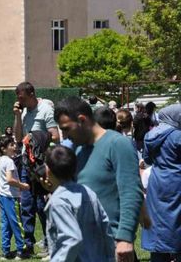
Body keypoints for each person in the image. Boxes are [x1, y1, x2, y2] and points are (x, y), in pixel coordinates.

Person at [54, 96, 142, 262]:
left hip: (111, 245)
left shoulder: (117, 144)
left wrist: (124, 237)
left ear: (82, 120)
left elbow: (131, 192)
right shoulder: (76, 150)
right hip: (83, 246)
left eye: (66, 129)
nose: (64, 136)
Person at [43, 146, 115, 262]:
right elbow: (106, 229)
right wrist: (111, 258)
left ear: (48, 170)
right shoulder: (88, 192)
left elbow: (72, 238)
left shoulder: (58, 202)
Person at [12, 82, 58, 257]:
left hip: (42, 164)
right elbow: (17, 138)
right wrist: (17, 116)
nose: (18, 99)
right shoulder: (23, 112)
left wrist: (35, 138)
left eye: (21, 96)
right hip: (26, 164)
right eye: (17, 96)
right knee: (26, 205)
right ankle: (28, 246)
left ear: (31, 94)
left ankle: (49, 244)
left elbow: (55, 136)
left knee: (42, 206)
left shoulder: (46, 110)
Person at [141, 104, 181, 262]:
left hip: (157, 182)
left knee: (158, 221)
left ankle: (158, 256)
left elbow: (148, 160)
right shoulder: (178, 136)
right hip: (177, 181)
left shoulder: (150, 135)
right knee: (176, 222)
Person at [0, 135, 30, 260]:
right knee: (17, 223)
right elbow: (10, 179)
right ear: (4, 149)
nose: (15, 146)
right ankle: (22, 249)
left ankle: (6, 251)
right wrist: (23, 185)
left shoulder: (1, 160)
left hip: (3, 196)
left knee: (6, 225)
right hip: (11, 197)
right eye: (11, 145)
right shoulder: (9, 161)